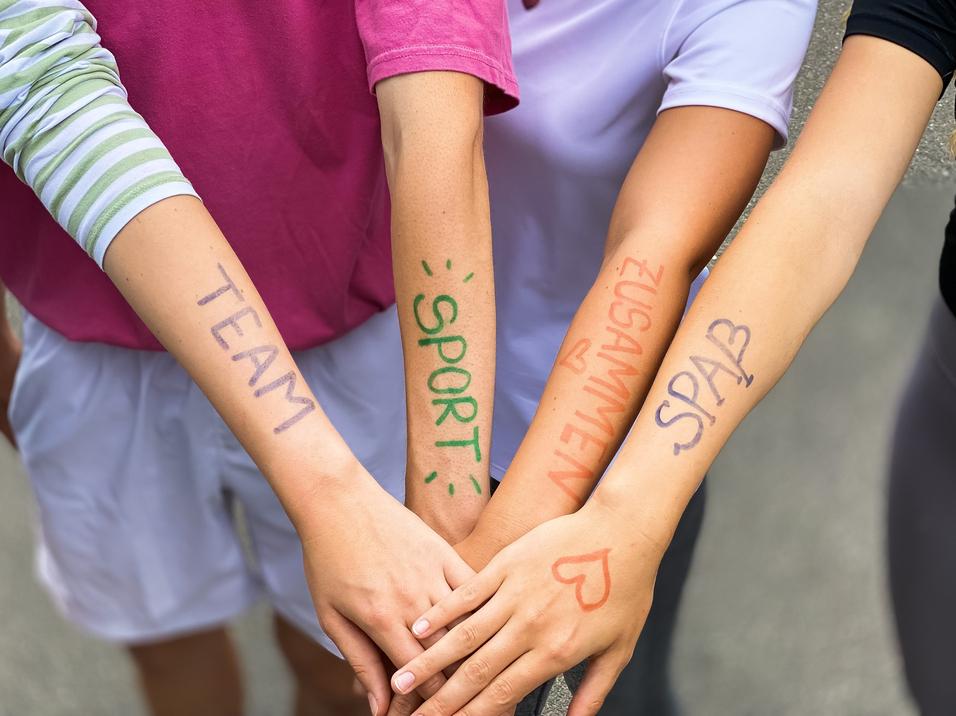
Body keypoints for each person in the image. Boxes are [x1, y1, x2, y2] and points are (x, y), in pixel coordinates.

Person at [389, 1, 956, 714]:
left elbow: (665, 246)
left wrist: (619, 516)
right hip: (385, 395)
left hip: (611, 437)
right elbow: (826, 195)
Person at [0, 1, 516, 715]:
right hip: (94, 353)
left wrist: (450, 504)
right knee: (169, 642)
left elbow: (433, 93)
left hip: (344, 335)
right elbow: (32, 78)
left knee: (355, 663)